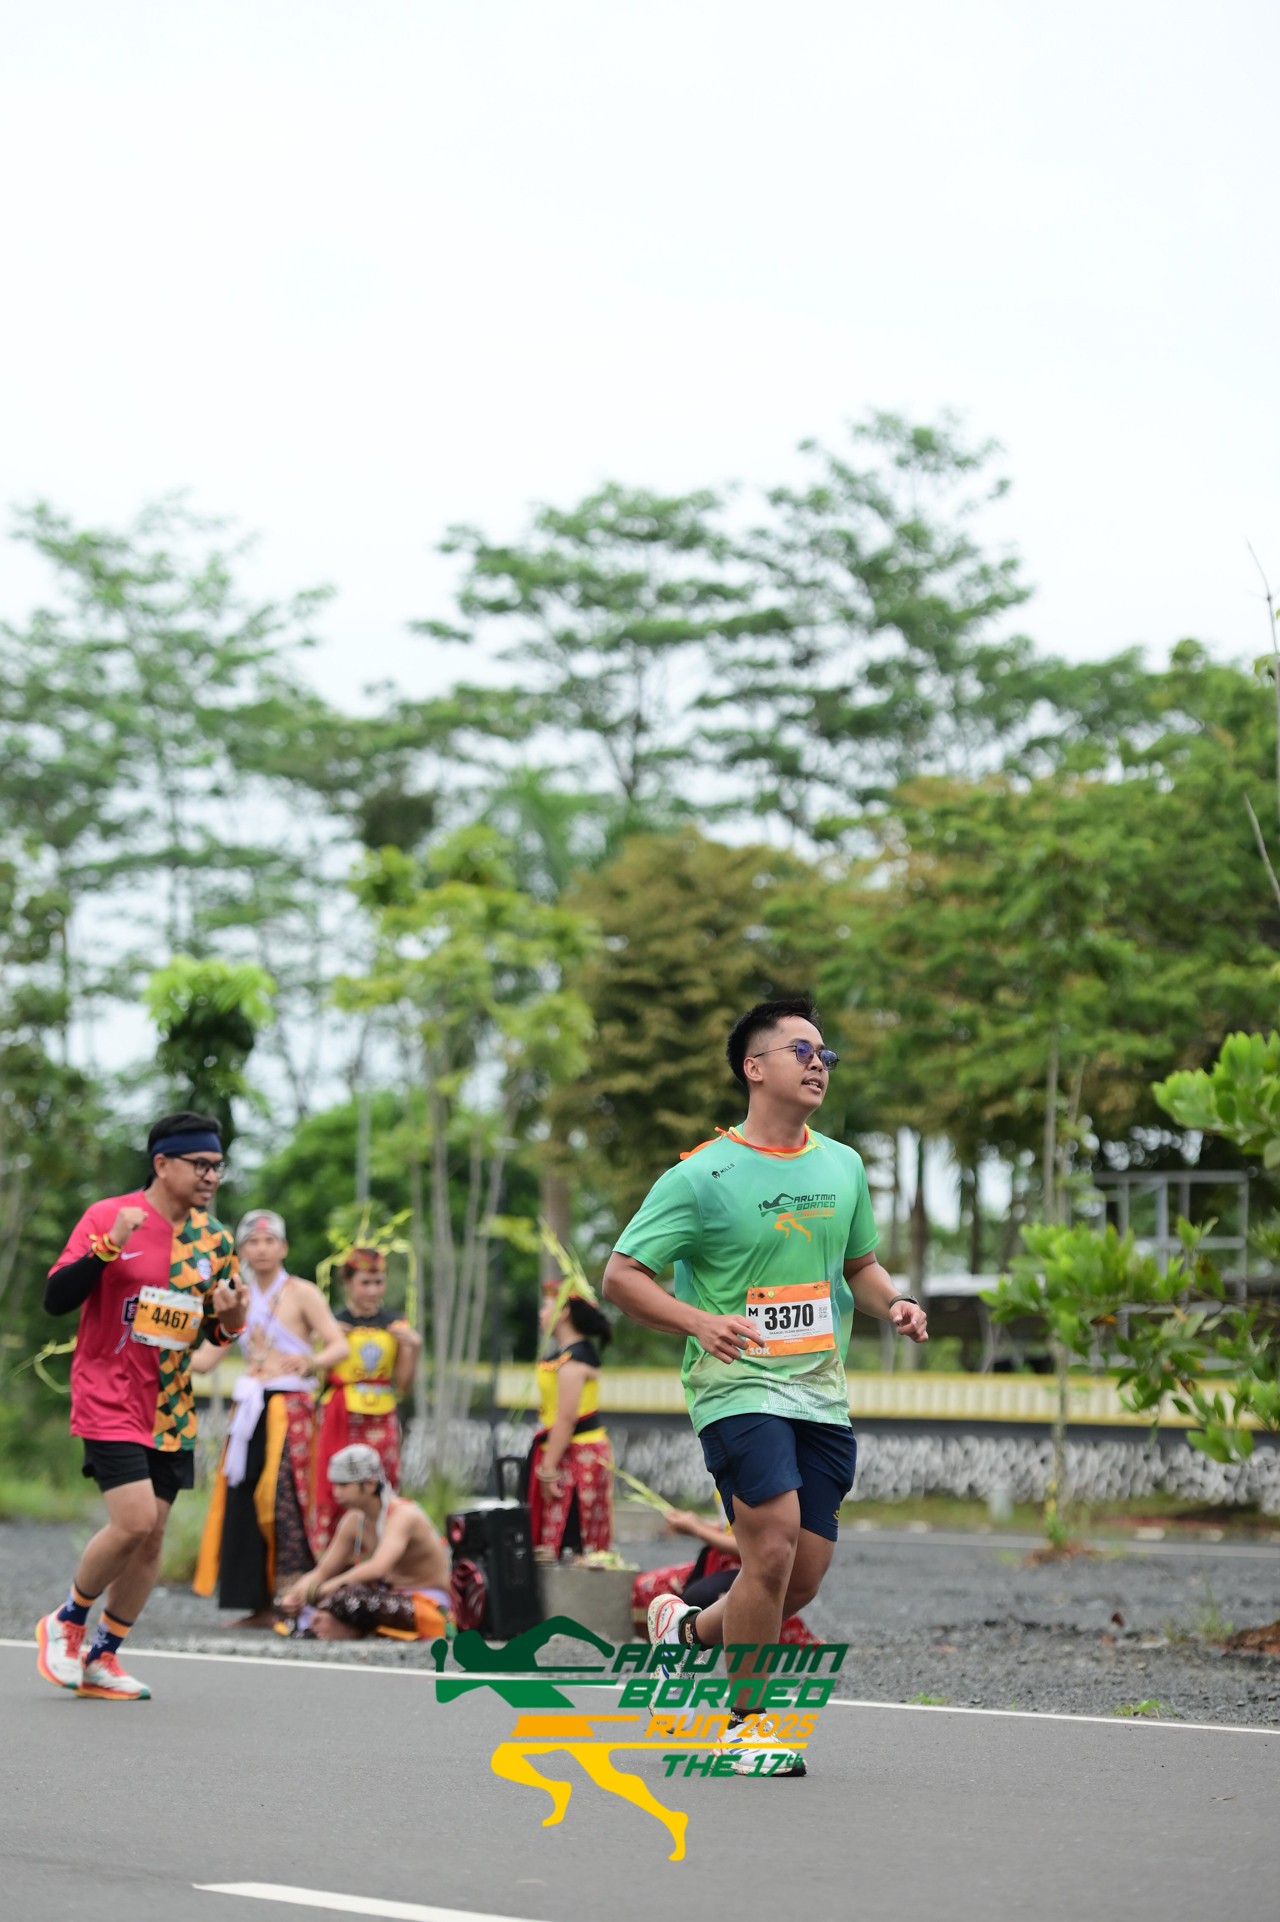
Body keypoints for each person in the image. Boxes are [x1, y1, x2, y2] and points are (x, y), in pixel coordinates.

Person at [602, 994, 928, 1775]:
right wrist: (697, 1321)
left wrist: (895, 1301)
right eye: (801, 1051)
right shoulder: (700, 1175)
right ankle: (748, 1727)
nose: (820, 1064)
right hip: (735, 1387)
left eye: (825, 1054)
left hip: (819, 1391)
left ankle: (686, 1629)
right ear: (754, 1068)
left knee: (795, 1578)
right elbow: (621, 1276)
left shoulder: (842, 1165)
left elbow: (859, 1266)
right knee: (771, 1543)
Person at [35, 1111, 248, 1701]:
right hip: (107, 1392)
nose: (212, 1176)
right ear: (162, 1164)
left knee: (151, 1537)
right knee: (132, 1520)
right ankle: (66, 1622)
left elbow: (214, 1331)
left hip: (171, 1405)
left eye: (218, 1166)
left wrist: (232, 1322)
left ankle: (103, 1656)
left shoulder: (215, 1240)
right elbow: (56, 1298)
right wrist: (108, 1247)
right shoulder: (110, 1215)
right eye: (200, 1164)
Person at [191, 1209, 350, 1626]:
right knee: (242, 1498)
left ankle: (292, 1600)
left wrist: (311, 1360)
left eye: (269, 1241)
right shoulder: (234, 1295)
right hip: (249, 1408)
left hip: (290, 1409)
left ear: (283, 1247)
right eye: (253, 1242)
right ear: (242, 1250)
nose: (261, 1249)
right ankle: (255, 1603)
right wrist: (164, 1354)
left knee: (286, 1502)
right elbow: (206, 1359)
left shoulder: (302, 1293)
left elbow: (339, 1346)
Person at [278, 1443, 452, 1641]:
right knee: (292, 1606)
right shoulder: (354, 1520)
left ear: (369, 1484)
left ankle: (343, 1628)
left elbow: (378, 1568)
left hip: (428, 1605)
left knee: (349, 1599)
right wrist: (295, 1596)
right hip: (387, 1596)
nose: (336, 1492)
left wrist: (327, 1588)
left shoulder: (402, 1515)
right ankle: (332, 1623)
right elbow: (322, 1572)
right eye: (334, 1485)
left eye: (343, 1485)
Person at [312, 1246, 422, 1550]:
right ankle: (333, 1554)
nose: (373, 1290)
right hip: (342, 1414)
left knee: (381, 1484)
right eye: (365, 1283)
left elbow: (403, 1384)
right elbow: (317, 1379)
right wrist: (325, 1340)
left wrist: (413, 1348)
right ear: (348, 1283)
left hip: (382, 1414)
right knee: (338, 1483)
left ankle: (382, 1552)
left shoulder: (396, 1325)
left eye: (378, 1282)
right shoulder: (333, 1323)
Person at [630, 1506, 817, 1646]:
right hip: (719, 1560)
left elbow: (760, 1545)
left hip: (751, 1564)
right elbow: (729, 1527)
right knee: (648, 1585)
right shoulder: (726, 1470)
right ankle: (660, 1648)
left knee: (697, 1598)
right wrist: (695, 1523)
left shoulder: (756, 1475)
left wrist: (696, 1528)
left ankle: (702, 1639)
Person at [526, 1280, 614, 1562]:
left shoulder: (574, 1361)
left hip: (577, 1456)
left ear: (563, 1312)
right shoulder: (565, 1357)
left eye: (546, 1306)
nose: (541, 1313)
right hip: (563, 1449)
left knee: (574, 1543)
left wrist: (547, 1469)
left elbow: (565, 1419)